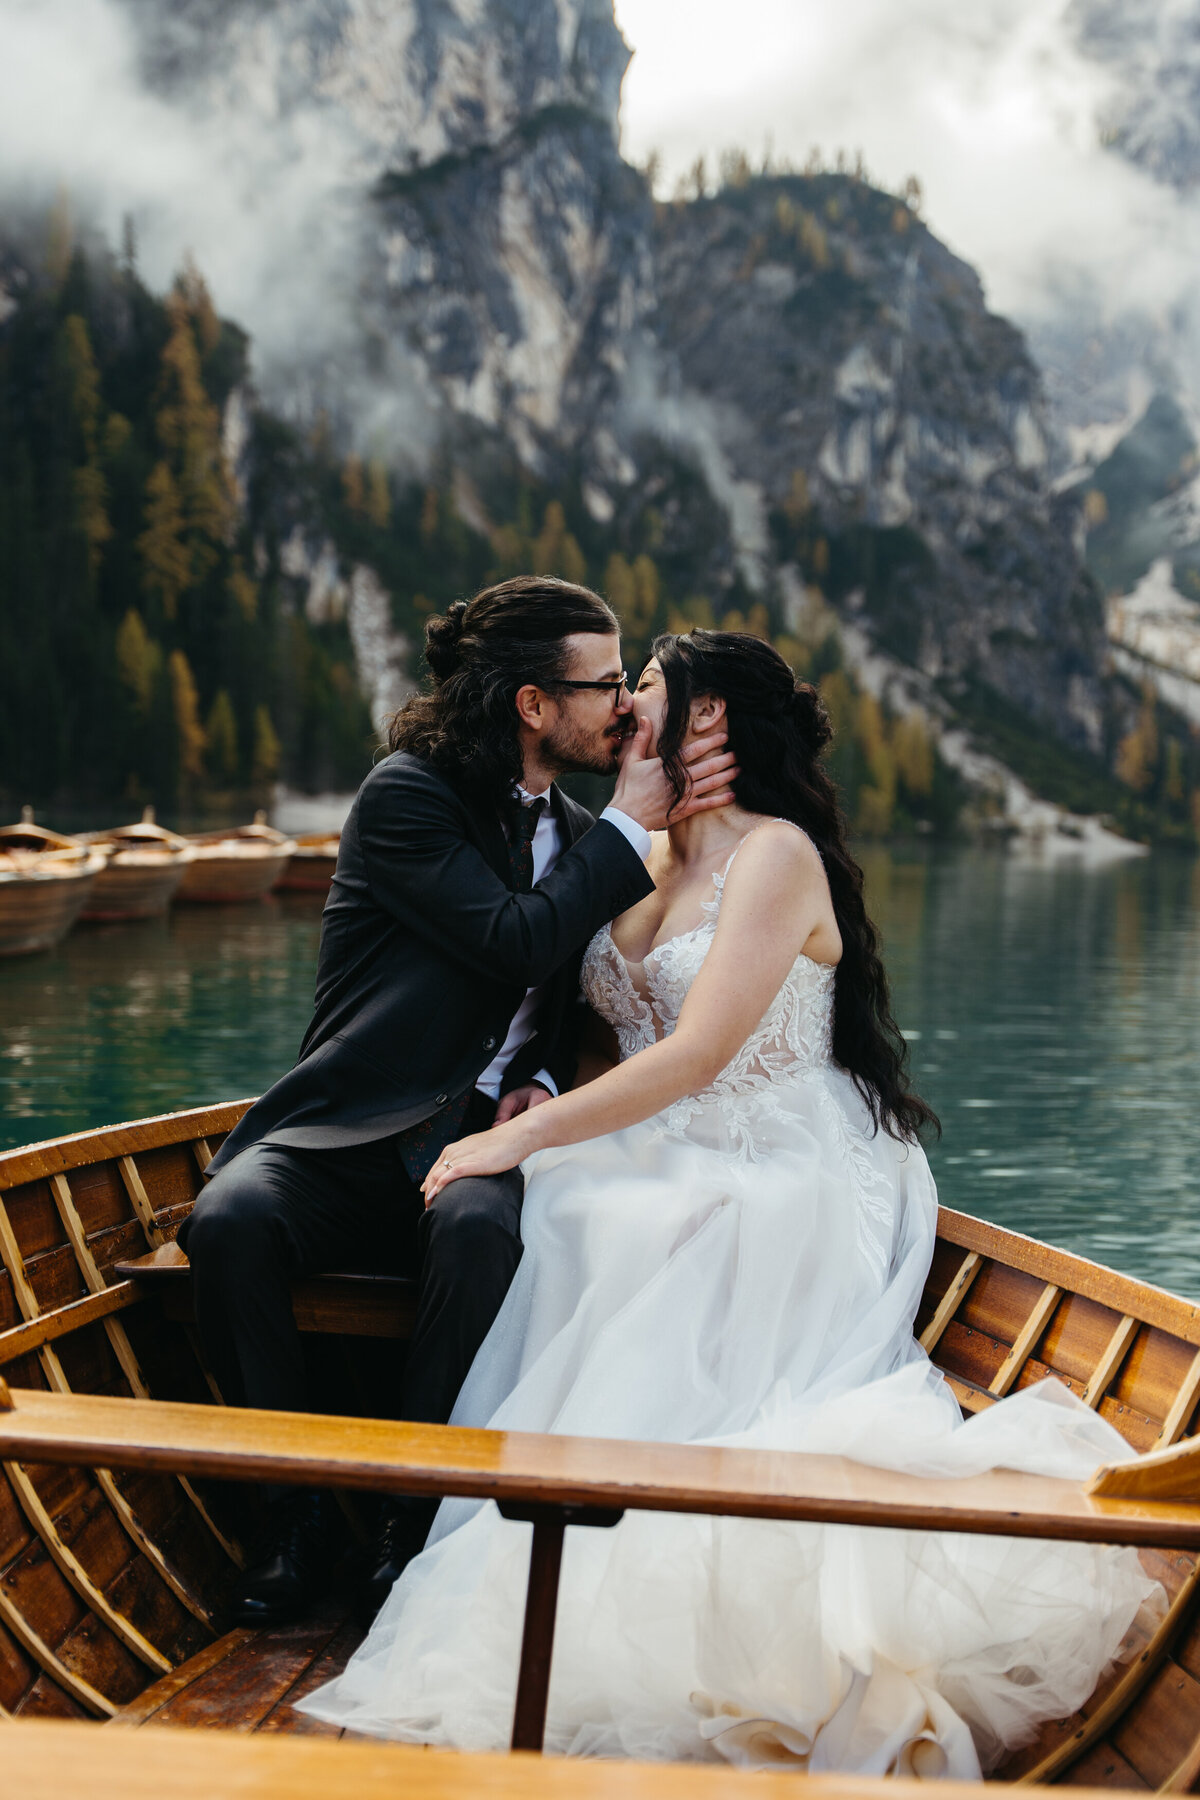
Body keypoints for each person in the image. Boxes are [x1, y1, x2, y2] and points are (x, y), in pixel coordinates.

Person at [300, 629, 1162, 1776]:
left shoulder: (776, 857)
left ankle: (533, 1557)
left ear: (706, 722)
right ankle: (435, 1528)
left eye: (640, 692)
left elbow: (702, 1053)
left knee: (602, 1216)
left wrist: (526, 1143)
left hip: (780, 1159)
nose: (617, 712)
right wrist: (533, 1109)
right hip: (665, 1138)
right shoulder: (643, 856)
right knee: (567, 1211)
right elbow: (611, 1045)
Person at [178, 578, 738, 1627]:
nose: (625, 705)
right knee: (232, 1219)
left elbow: (580, 1001)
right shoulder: (409, 795)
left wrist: (549, 1082)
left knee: (483, 1239)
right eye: (605, 683)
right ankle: (286, 1524)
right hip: (355, 1124)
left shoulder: (586, 832)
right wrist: (625, 829)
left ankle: (410, 1528)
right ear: (532, 704)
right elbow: (513, 938)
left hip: (489, 1140)